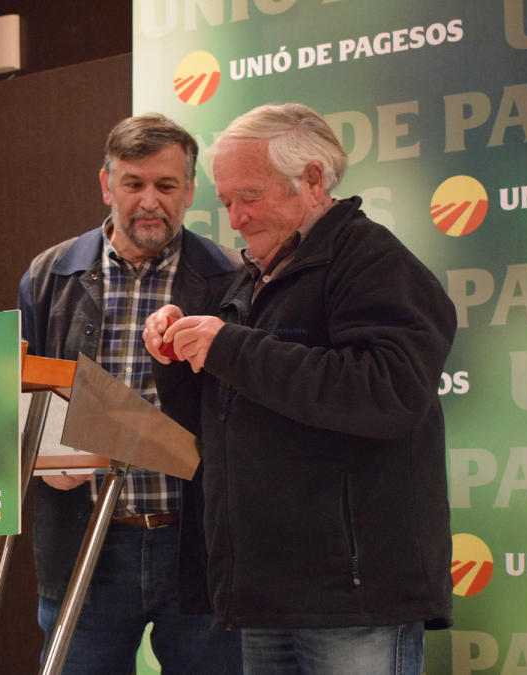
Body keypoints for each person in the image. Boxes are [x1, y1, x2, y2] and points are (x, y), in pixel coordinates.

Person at [143, 103, 457, 675]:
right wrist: (176, 355)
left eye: (249, 196)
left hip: (351, 598)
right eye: (226, 201)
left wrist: (230, 347)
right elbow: (214, 418)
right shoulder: (250, 278)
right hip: (264, 590)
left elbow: (389, 394)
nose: (235, 218)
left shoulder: (374, 262)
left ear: (312, 180)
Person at [17, 114, 243, 674]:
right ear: (106, 185)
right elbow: (20, 391)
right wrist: (42, 460)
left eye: (166, 186)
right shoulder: (49, 275)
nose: (149, 201)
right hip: (83, 544)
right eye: (133, 183)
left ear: (189, 191)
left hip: (196, 547)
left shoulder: (231, 277)